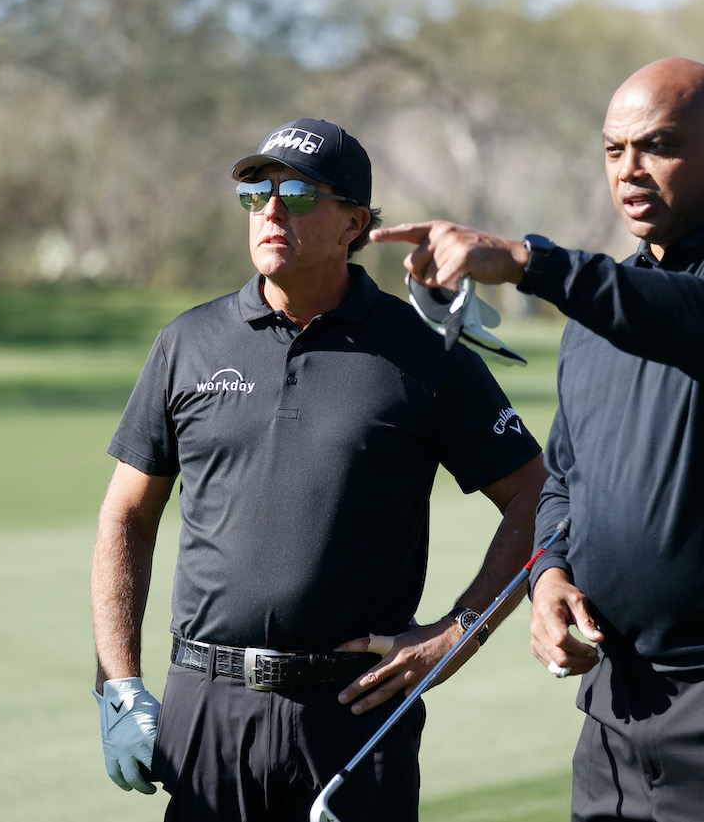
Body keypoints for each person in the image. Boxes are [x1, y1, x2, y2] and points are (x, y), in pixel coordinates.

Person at [371, 58, 704, 822]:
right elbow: (565, 482)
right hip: (628, 706)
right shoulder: (601, 319)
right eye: (612, 149)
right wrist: (550, 575)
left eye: (658, 145)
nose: (629, 170)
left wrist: (532, 263)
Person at [89, 117, 545, 822]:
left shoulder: (424, 354)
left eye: (298, 193)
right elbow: (127, 514)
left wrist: (459, 631)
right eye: (256, 191)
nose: (271, 209)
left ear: (352, 222)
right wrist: (116, 682)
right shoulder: (187, 342)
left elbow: (537, 495)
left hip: (352, 718)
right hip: (204, 712)